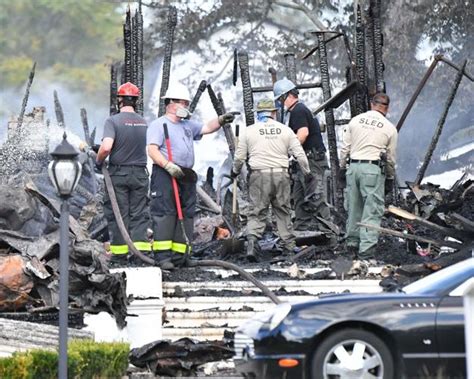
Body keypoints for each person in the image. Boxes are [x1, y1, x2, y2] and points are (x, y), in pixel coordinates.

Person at [147, 82, 235, 268]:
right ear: (171, 103)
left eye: (187, 103)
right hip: (166, 174)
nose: (186, 107)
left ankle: (181, 256)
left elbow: (206, 128)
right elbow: (152, 150)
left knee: (186, 214)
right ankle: (163, 258)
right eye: (183, 103)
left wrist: (220, 120)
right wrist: (167, 165)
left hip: (185, 175)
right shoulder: (159, 125)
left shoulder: (187, 125)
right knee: (166, 214)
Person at [231, 98, 310, 261]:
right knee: (282, 210)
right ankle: (288, 245)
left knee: (257, 211)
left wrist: (235, 171)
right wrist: (307, 172)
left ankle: (252, 241)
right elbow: (299, 154)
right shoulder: (285, 130)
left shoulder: (249, 131)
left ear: (258, 113)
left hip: (259, 175)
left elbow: (239, 157)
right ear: (274, 112)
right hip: (281, 174)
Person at [96, 82, 151, 264]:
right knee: (139, 213)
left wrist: (98, 161)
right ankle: (140, 253)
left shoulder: (112, 121)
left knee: (118, 213)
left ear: (119, 100)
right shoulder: (144, 122)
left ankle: (119, 255)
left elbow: (106, 147)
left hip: (119, 174)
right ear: (136, 101)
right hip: (140, 174)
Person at [339, 92, 398, 259]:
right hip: (372, 169)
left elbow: (345, 148)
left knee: (353, 206)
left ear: (372, 104)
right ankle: (366, 251)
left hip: (354, 167)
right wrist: (390, 177)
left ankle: (351, 244)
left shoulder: (355, 121)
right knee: (372, 210)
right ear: (387, 108)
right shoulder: (389, 128)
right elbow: (391, 158)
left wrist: (343, 168)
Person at [273, 78, 331, 231]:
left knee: (315, 197)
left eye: (280, 99)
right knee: (299, 198)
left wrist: (287, 152)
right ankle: (302, 231)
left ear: (287, 96)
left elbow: (303, 134)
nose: (280, 103)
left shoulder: (298, 110)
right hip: (304, 161)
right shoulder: (298, 110)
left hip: (312, 161)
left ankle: (330, 233)